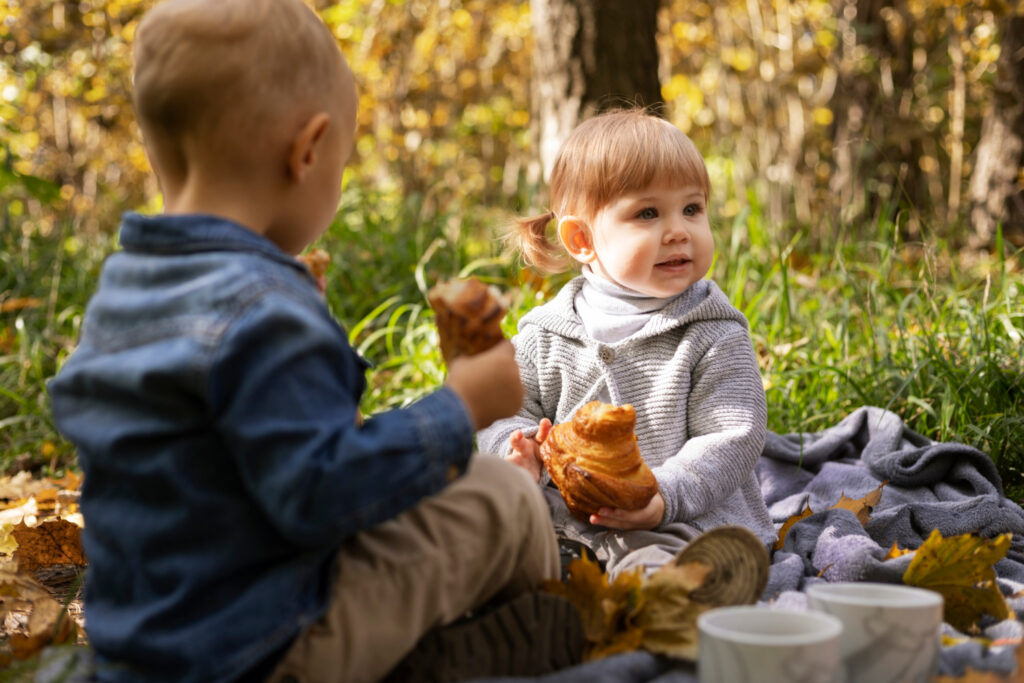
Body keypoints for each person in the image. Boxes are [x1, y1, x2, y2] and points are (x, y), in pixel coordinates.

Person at [47, 1, 569, 681]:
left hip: (146, 644)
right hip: (268, 648)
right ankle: (538, 630)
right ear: (307, 150)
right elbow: (326, 497)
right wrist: (458, 407)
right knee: (499, 496)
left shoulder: (125, 290)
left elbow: (221, 454)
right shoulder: (263, 309)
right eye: (343, 163)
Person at [478, 109, 777, 579]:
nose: (679, 230)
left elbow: (732, 437)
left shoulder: (713, 332)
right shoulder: (546, 333)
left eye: (692, 209)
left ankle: (669, 598)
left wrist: (663, 494)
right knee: (481, 526)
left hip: (679, 516)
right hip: (567, 513)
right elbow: (502, 407)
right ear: (581, 239)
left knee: (663, 560)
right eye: (648, 213)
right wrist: (512, 449)